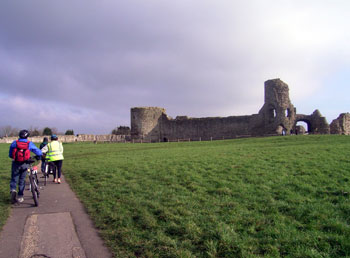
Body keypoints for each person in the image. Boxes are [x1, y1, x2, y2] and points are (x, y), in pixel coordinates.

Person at [9, 129, 42, 204]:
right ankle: (20, 196)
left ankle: (13, 190)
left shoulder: (14, 143)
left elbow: (10, 155)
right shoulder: (29, 143)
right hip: (25, 164)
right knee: (22, 180)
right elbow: (39, 152)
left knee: (14, 178)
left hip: (16, 163)